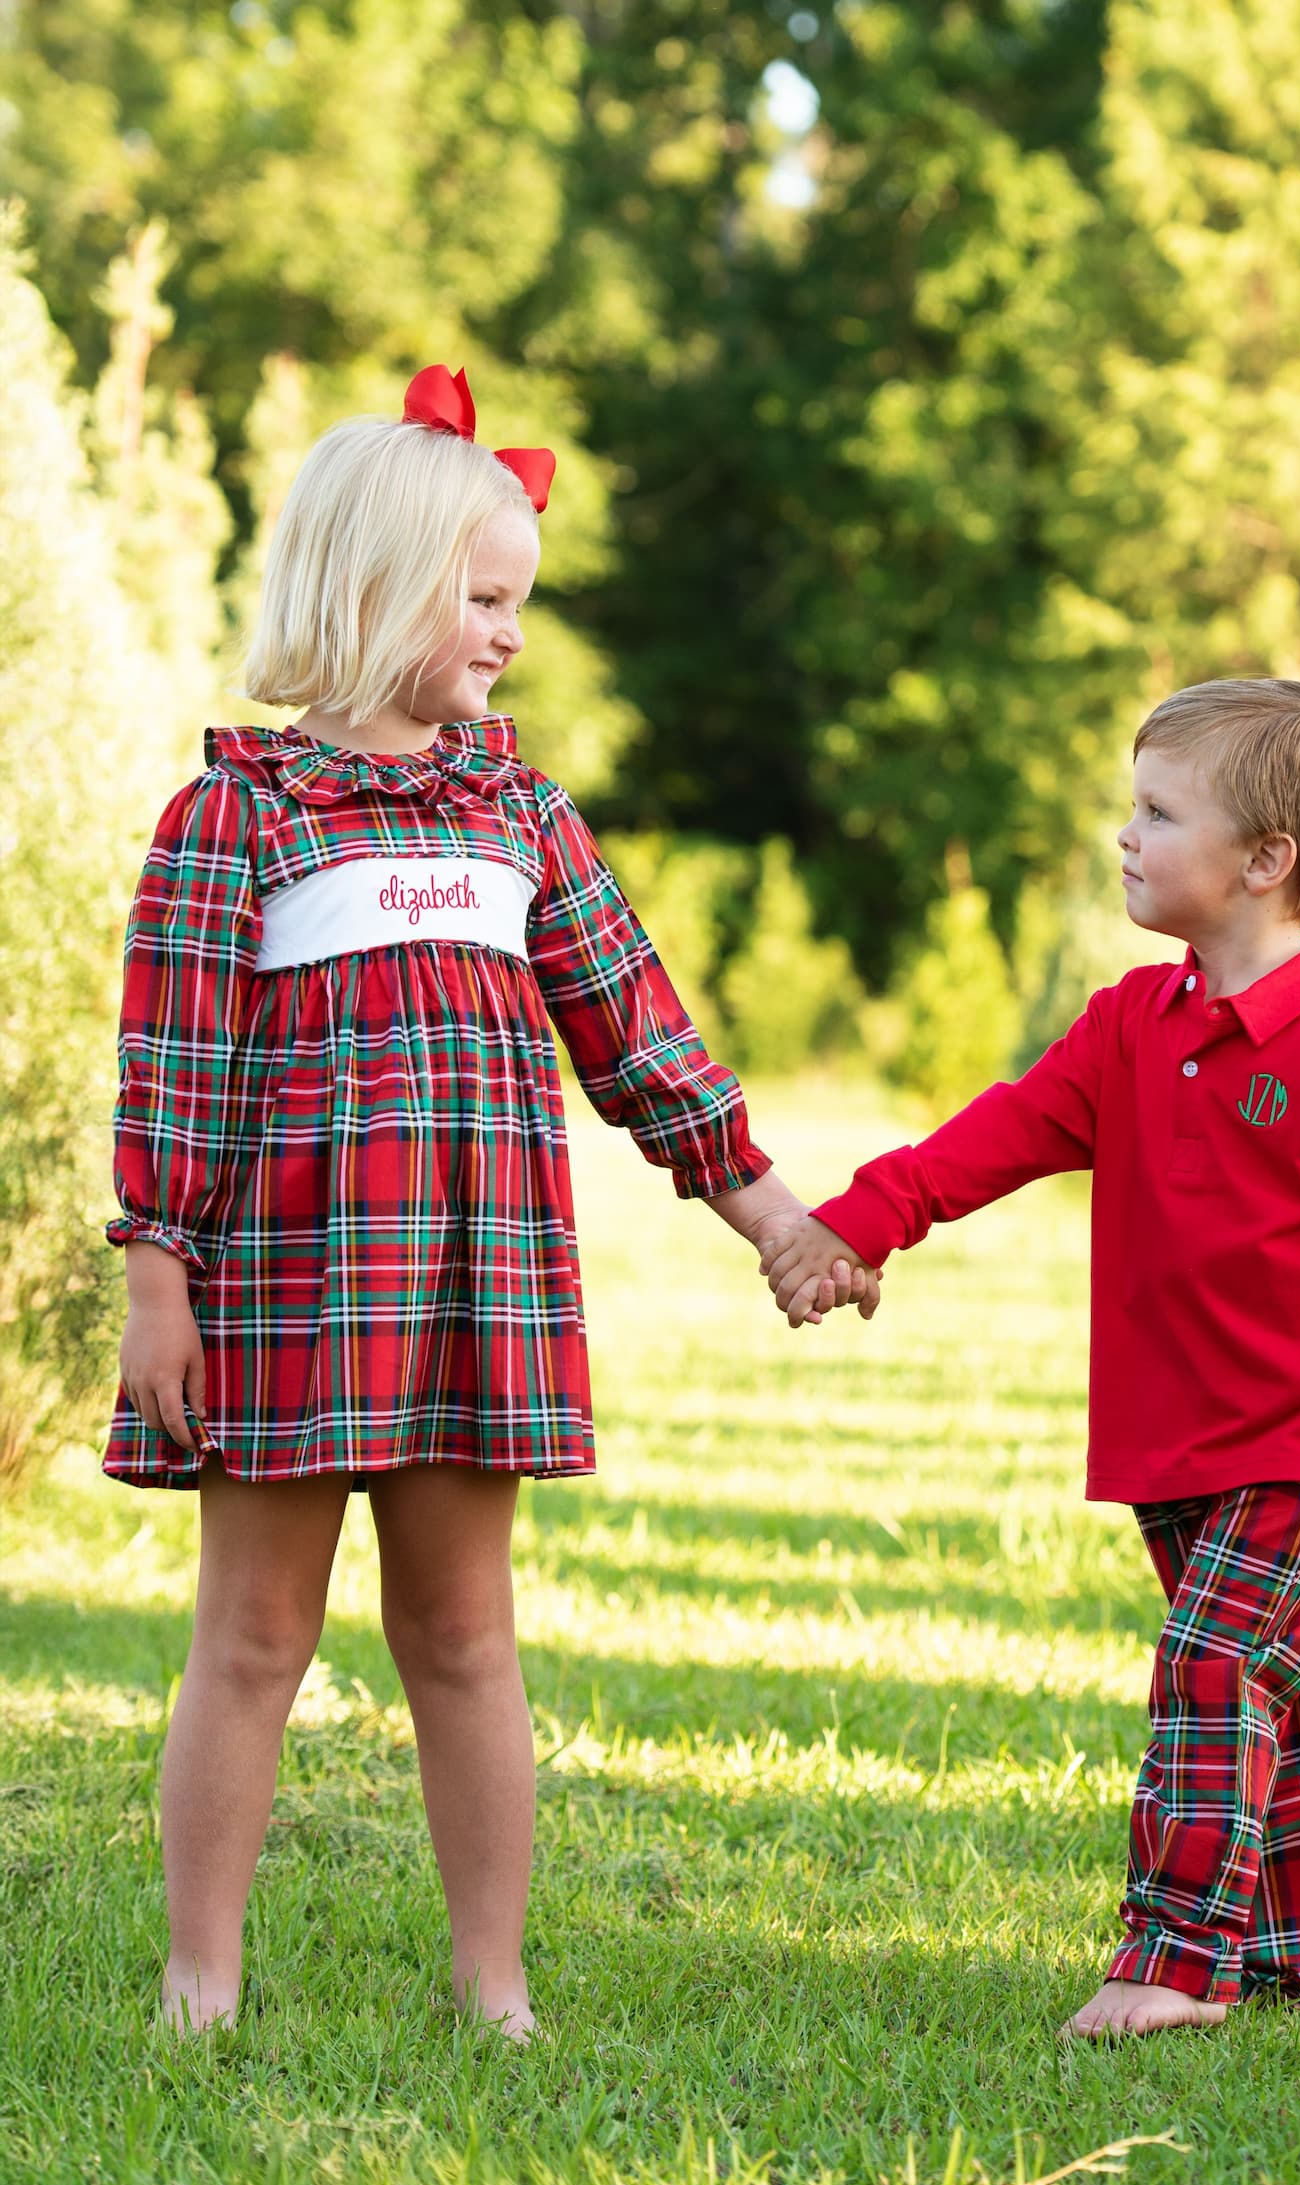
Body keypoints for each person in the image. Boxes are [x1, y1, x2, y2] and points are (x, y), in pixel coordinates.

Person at [106, 364, 874, 2040]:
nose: (509, 631)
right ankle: (200, 1978)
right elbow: (173, 1066)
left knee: (463, 1633)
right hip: (286, 1295)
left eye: (516, 598)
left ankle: (495, 1984)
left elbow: (641, 1038)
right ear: (375, 587)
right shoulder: (236, 817)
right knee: (250, 1635)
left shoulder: (522, 815)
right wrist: (155, 1282)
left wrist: (778, 1216)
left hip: (475, 1294)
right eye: (483, 595)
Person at [761, 678, 1300, 2038]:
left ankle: (1172, 1959)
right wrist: (848, 1229)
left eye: (1159, 812)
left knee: (1211, 1663)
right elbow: (991, 1138)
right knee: (1261, 1678)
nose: (1127, 833)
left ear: (1267, 863)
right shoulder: (1127, 1027)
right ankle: (1289, 1944)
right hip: (1175, 1442)